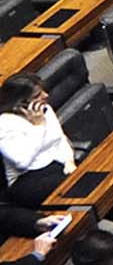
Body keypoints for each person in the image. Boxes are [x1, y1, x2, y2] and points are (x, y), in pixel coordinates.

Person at [0, 76, 71, 205]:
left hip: (56, 165)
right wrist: (38, 127)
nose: (46, 95)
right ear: (21, 102)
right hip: (27, 179)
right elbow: (22, 162)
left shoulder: (45, 110)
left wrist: (69, 161)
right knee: (73, 189)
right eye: (37, 95)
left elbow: (60, 139)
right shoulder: (5, 123)